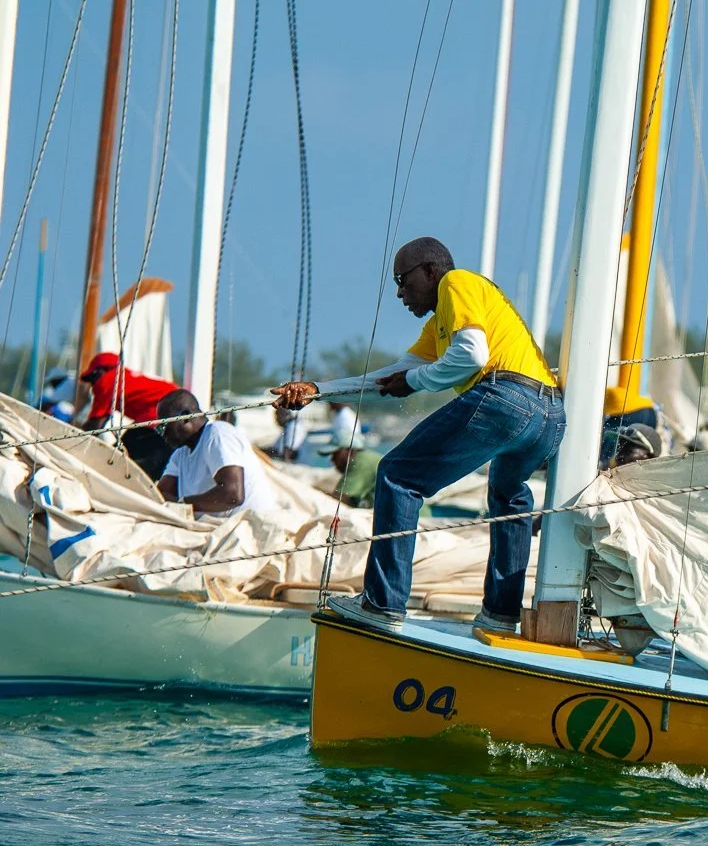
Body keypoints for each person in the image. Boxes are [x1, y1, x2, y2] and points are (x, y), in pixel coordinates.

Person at [272, 236, 565, 635]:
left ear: (430, 271)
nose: (399, 292)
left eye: (403, 280)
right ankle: (500, 615)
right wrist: (319, 390)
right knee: (508, 495)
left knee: (396, 474)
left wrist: (414, 381)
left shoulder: (455, 283)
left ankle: (382, 603)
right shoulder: (439, 325)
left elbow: (471, 357)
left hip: (507, 399)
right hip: (548, 414)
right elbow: (389, 376)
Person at [156, 389, 276, 518]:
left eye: (163, 426)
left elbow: (232, 495)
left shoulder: (218, 433)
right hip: (216, 527)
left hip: (248, 525)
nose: (162, 434)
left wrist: (182, 504)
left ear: (186, 417)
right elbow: (160, 495)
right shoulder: (180, 454)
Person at [77, 351, 182, 480]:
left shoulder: (109, 380)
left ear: (102, 371)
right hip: (175, 417)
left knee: (117, 462)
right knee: (147, 464)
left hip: (157, 417)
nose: (93, 385)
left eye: (92, 378)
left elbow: (96, 424)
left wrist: (74, 443)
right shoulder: (126, 377)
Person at [321, 435, 379, 509]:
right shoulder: (366, 458)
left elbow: (339, 500)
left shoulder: (361, 462)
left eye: (335, 454)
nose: (332, 460)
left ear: (350, 451)